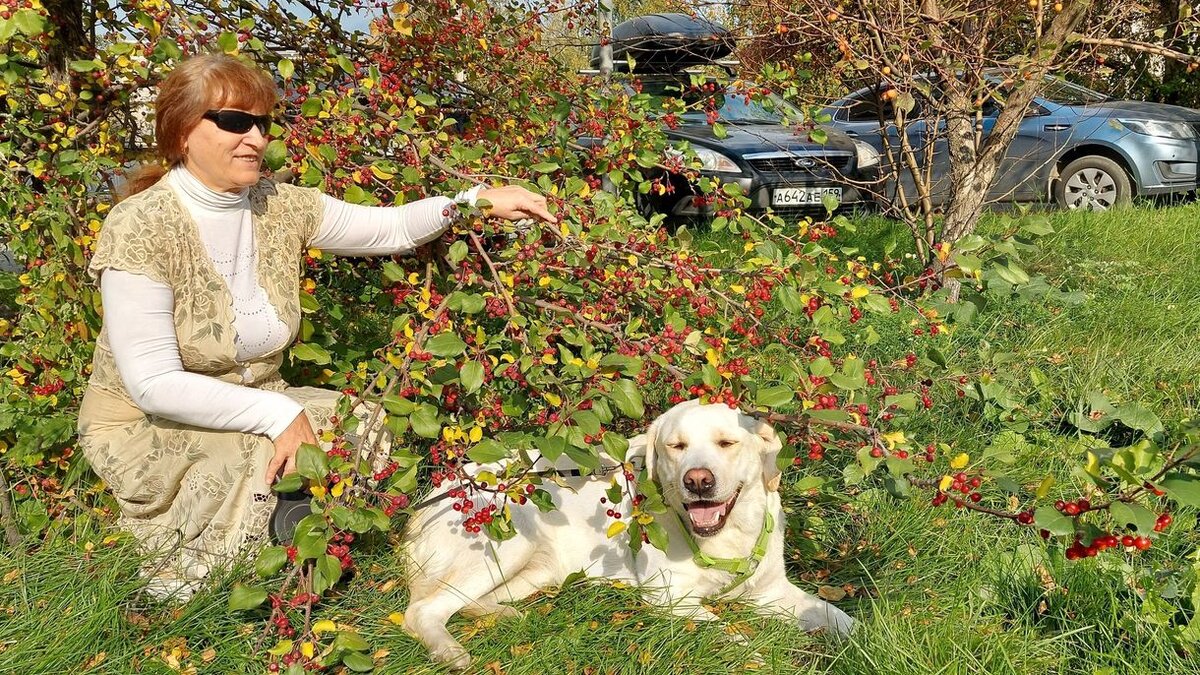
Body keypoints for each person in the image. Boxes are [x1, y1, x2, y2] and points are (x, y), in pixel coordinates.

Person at [76, 53, 555, 599]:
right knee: (258, 457)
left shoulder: (277, 205)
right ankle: (190, 591)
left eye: (262, 123)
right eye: (234, 122)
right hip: (144, 421)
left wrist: (476, 202)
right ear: (184, 130)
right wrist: (279, 414)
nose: (255, 138)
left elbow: (390, 227)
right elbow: (152, 384)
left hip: (256, 397)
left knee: (367, 426)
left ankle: (302, 558)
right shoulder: (140, 225)